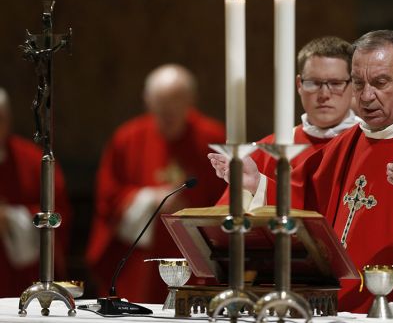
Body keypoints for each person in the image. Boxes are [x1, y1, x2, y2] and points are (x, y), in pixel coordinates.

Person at [209, 30, 393, 316]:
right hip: (342, 308)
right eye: (358, 83)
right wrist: (256, 182)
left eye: (380, 83)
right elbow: (306, 205)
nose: (366, 96)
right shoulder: (346, 143)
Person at [86, 64, 227, 303]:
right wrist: (150, 199)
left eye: (176, 100)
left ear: (192, 100)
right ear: (147, 100)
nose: (168, 109)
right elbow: (108, 198)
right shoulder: (127, 139)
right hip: (140, 260)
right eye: (160, 101)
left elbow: (229, 195)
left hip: (196, 253)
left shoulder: (213, 138)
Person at [211, 36, 361, 206]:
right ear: (299, 85)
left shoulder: (367, 145)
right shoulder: (265, 152)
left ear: (354, 85)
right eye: (314, 83)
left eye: (336, 83)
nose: (324, 95)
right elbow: (228, 222)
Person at [0, 87, 72, 297]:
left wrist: (13, 219)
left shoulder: (35, 162)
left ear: (7, 120)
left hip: (21, 275)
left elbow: (59, 216)